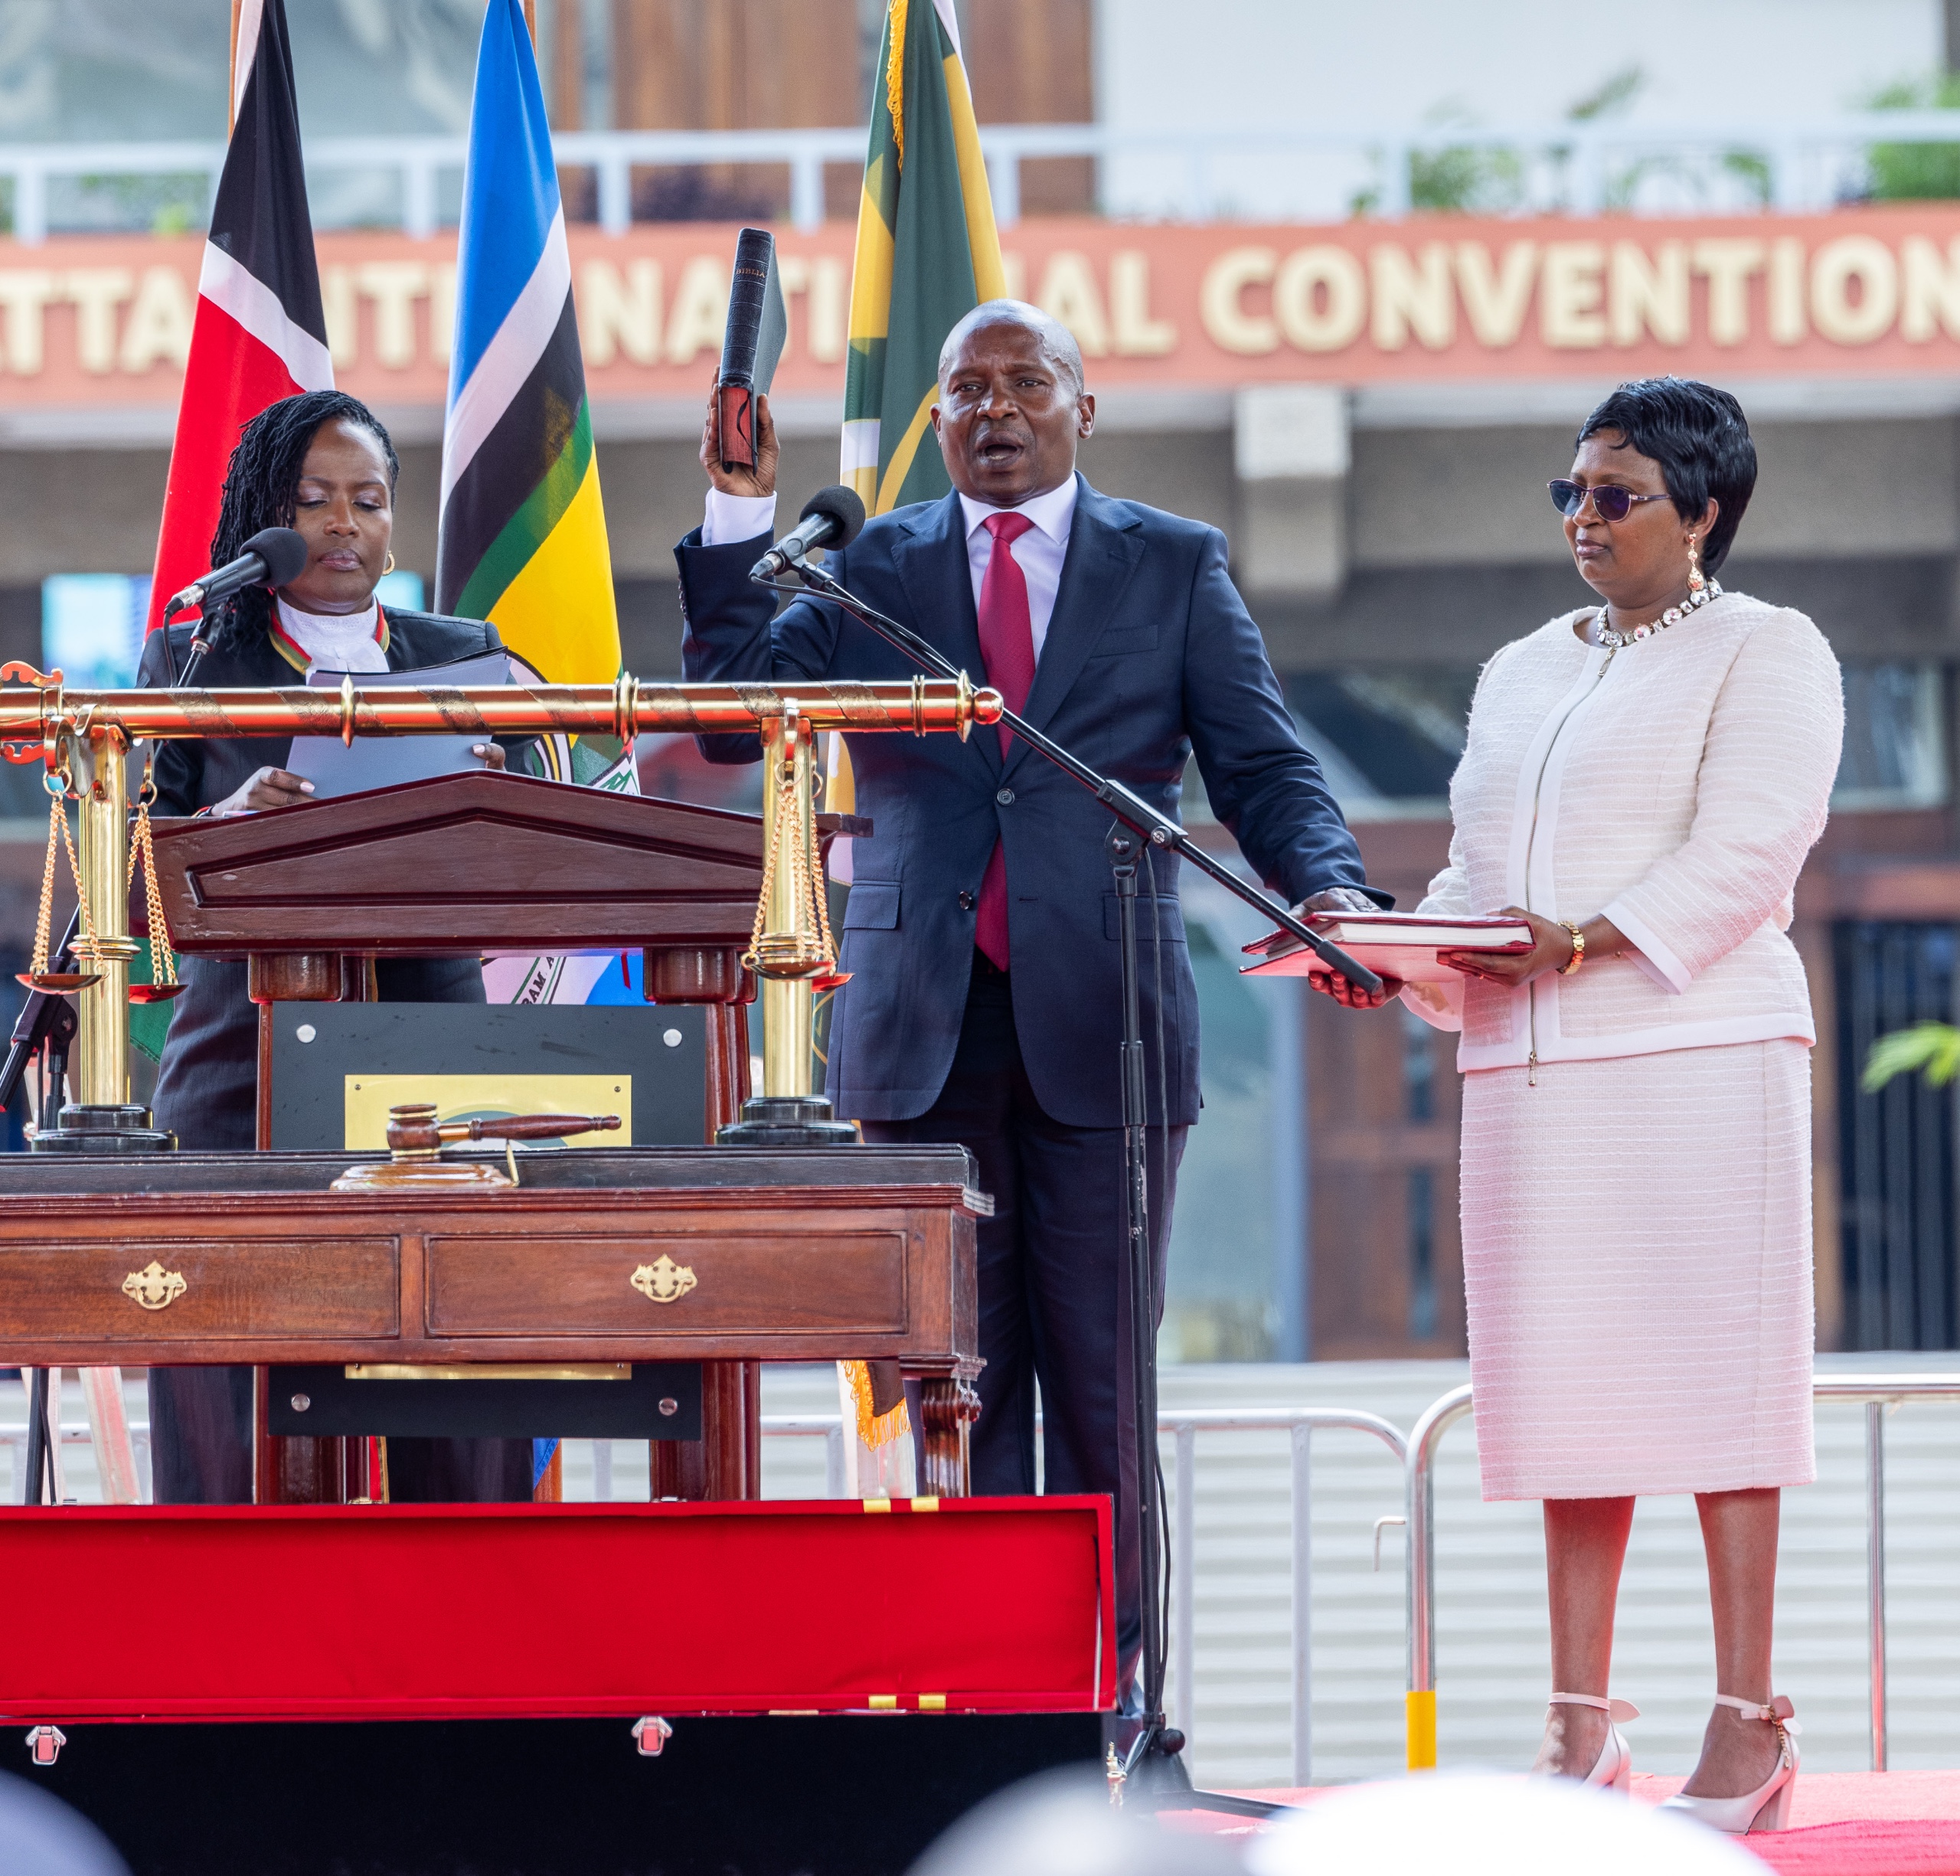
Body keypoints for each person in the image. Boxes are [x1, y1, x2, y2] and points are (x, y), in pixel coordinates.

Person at [675, 299, 1385, 1689]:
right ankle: (991, 1706)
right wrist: (735, 514)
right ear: (934, 419)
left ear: (1084, 406)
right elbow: (728, 713)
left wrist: (1333, 888)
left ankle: (1123, 1713)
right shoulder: (868, 563)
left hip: (1104, 1020)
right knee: (958, 1390)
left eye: (1026, 382)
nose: (994, 410)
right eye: (966, 390)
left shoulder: (1172, 565)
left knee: (1105, 1391)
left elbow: (1263, 766)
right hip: (918, 1026)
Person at [1396, 377, 1841, 1832]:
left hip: (1698, 1051)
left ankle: (1748, 1720)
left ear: (1702, 512)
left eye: (1617, 495)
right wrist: (1395, 957)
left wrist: (1581, 939)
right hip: (1533, 1075)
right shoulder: (1523, 664)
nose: (1583, 518)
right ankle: (1581, 1727)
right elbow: (1477, 873)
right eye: (1570, 492)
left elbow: (1753, 848)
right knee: (1569, 1392)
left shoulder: (1768, 649)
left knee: (1723, 1386)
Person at [136, 388, 531, 1508]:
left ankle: (463, 1655)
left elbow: (554, 819)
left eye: (367, 500)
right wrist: (226, 824)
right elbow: (127, 868)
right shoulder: (195, 659)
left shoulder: (465, 656)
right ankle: (242, 1660)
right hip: (241, 1056)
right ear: (267, 516)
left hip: (433, 1051)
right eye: (313, 502)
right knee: (237, 1369)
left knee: (446, 1356)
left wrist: (500, 791)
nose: (343, 525)